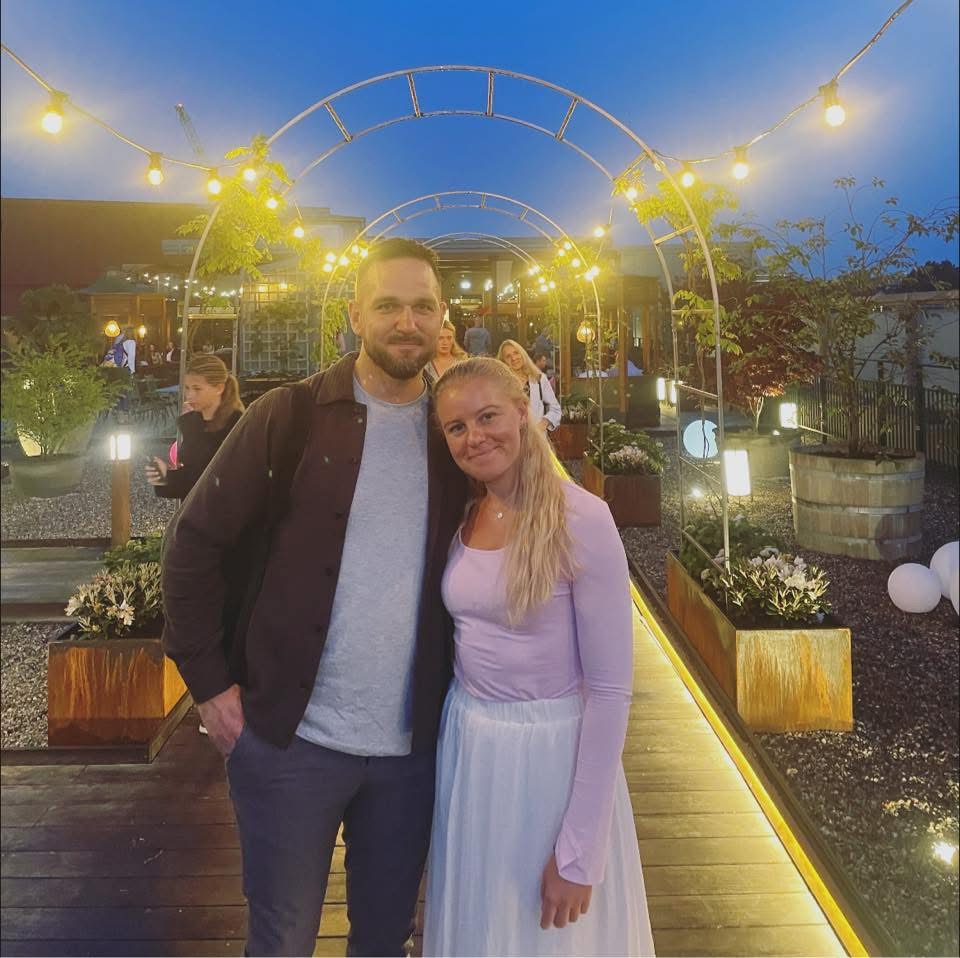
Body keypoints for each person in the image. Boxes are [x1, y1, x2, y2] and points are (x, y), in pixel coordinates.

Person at [160, 237, 468, 957]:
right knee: (282, 939)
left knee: (385, 940)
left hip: (412, 752)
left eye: (422, 307)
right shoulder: (290, 416)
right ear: (355, 316)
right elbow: (193, 544)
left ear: (442, 318)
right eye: (387, 306)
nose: (406, 322)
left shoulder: (455, 434)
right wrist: (210, 687)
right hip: (289, 741)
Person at [425, 358, 654, 956]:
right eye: (456, 427)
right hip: (471, 749)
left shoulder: (582, 517)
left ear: (523, 412)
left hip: (550, 758)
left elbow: (610, 691)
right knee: (483, 925)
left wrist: (580, 851)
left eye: (488, 417)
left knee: (546, 935)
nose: (475, 437)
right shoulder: (467, 512)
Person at [145, 354, 244, 500]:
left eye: (197, 389)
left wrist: (168, 477)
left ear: (219, 388)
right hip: (196, 508)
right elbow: (191, 472)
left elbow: (215, 479)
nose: (189, 395)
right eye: (187, 388)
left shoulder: (236, 425)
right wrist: (163, 477)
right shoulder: (193, 423)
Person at [498, 338, 561, 432]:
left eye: (516, 353)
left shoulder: (539, 379)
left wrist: (542, 425)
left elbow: (555, 409)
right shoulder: (500, 384)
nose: (514, 358)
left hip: (536, 437)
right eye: (508, 356)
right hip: (511, 437)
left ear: (522, 353)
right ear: (503, 362)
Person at [424, 317, 467, 384]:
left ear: (453, 340)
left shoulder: (462, 362)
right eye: (440, 338)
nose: (445, 342)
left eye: (449, 338)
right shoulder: (425, 364)